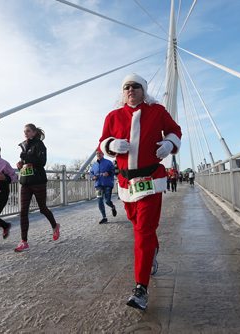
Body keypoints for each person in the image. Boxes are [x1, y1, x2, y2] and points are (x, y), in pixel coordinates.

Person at [99, 73, 182, 310]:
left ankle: (140, 288)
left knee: (143, 231)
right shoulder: (113, 116)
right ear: (122, 91)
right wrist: (110, 145)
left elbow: (175, 131)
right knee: (138, 226)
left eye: (136, 86)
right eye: (127, 87)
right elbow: (102, 141)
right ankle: (153, 249)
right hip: (126, 184)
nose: (131, 90)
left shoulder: (157, 111)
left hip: (151, 179)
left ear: (144, 91)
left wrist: (168, 144)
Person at [15, 124, 60, 252]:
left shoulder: (39, 145)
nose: (26, 133)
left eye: (28, 131)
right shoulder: (24, 145)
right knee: (23, 212)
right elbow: (25, 163)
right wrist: (20, 165)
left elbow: (41, 162)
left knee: (42, 208)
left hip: (38, 181)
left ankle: (55, 226)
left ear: (34, 132)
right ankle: (24, 241)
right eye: (24, 131)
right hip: (25, 181)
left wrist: (26, 158)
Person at [89, 150, 117, 224]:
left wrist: (108, 173)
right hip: (98, 185)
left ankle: (113, 207)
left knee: (107, 201)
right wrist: (93, 177)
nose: (98, 155)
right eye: (97, 154)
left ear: (103, 154)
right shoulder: (94, 165)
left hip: (107, 184)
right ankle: (104, 217)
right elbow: (91, 174)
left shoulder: (108, 162)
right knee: (99, 200)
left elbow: (114, 170)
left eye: (100, 153)